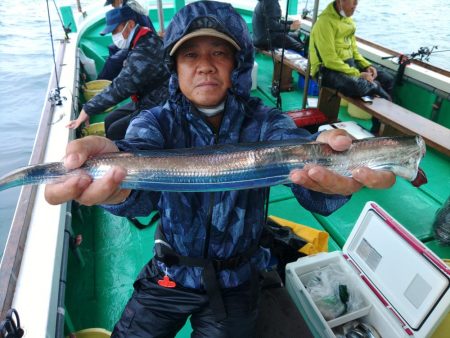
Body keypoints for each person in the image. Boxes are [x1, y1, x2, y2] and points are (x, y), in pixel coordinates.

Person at [46, 1, 395, 336]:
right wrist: (120, 189)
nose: (205, 65)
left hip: (238, 280)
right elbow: (141, 193)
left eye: (219, 52)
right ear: (175, 66)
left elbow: (303, 169)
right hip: (170, 271)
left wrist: (332, 182)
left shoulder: (265, 122)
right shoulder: (154, 122)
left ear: (237, 63)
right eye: (190, 54)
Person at [68, 5, 170, 140]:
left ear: (130, 25)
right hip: (147, 96)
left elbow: (121, 86)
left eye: (116, 30)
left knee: (116, 130)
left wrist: (88, 109)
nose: (114, 36)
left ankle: (126, 155)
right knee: (110, 119)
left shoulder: (144, 50)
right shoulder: (143, 38)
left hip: (161, 101)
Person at [309, 0, 394, 133]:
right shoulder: (324, 23)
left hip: (346, 65)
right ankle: (377, 89)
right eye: (352, 2)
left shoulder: (348, 22)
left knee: (387, 78)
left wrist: (367, 66)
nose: (355, 6)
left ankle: (377, 127)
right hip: (326, 70)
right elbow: (329, 60)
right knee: (361, 85)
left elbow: (353, 51)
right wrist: (357, 74)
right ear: (340, 2)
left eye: (357, 2)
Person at [98, 0, 156, 81]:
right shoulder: (133, 5)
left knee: (112, 62)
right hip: (140, 39)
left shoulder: (128, 10)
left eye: (112, 3)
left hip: (139, 44)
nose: (112, 6)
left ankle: (102, 81)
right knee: (112, 47)